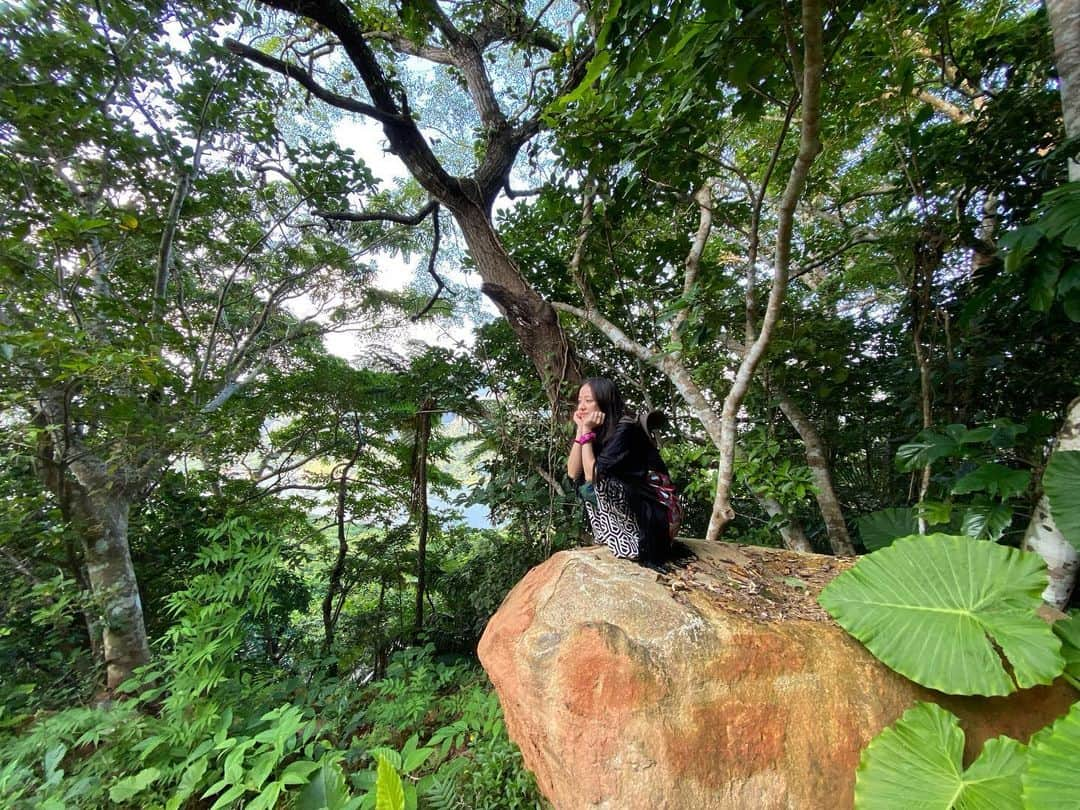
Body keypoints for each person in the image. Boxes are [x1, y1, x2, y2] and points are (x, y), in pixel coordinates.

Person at [566, 377, 675, 564]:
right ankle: (614, 537)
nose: (581, 407)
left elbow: (593, 475)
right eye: (580, 401)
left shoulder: (625, 427)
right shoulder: (597, 430)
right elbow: (572, 473)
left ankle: (631, 545)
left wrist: (586, 433)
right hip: (636, 502)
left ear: (605, 401)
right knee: (586, 486)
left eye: (589, 401)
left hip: (657, 509)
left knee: (600, 482)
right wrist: (581, 430)